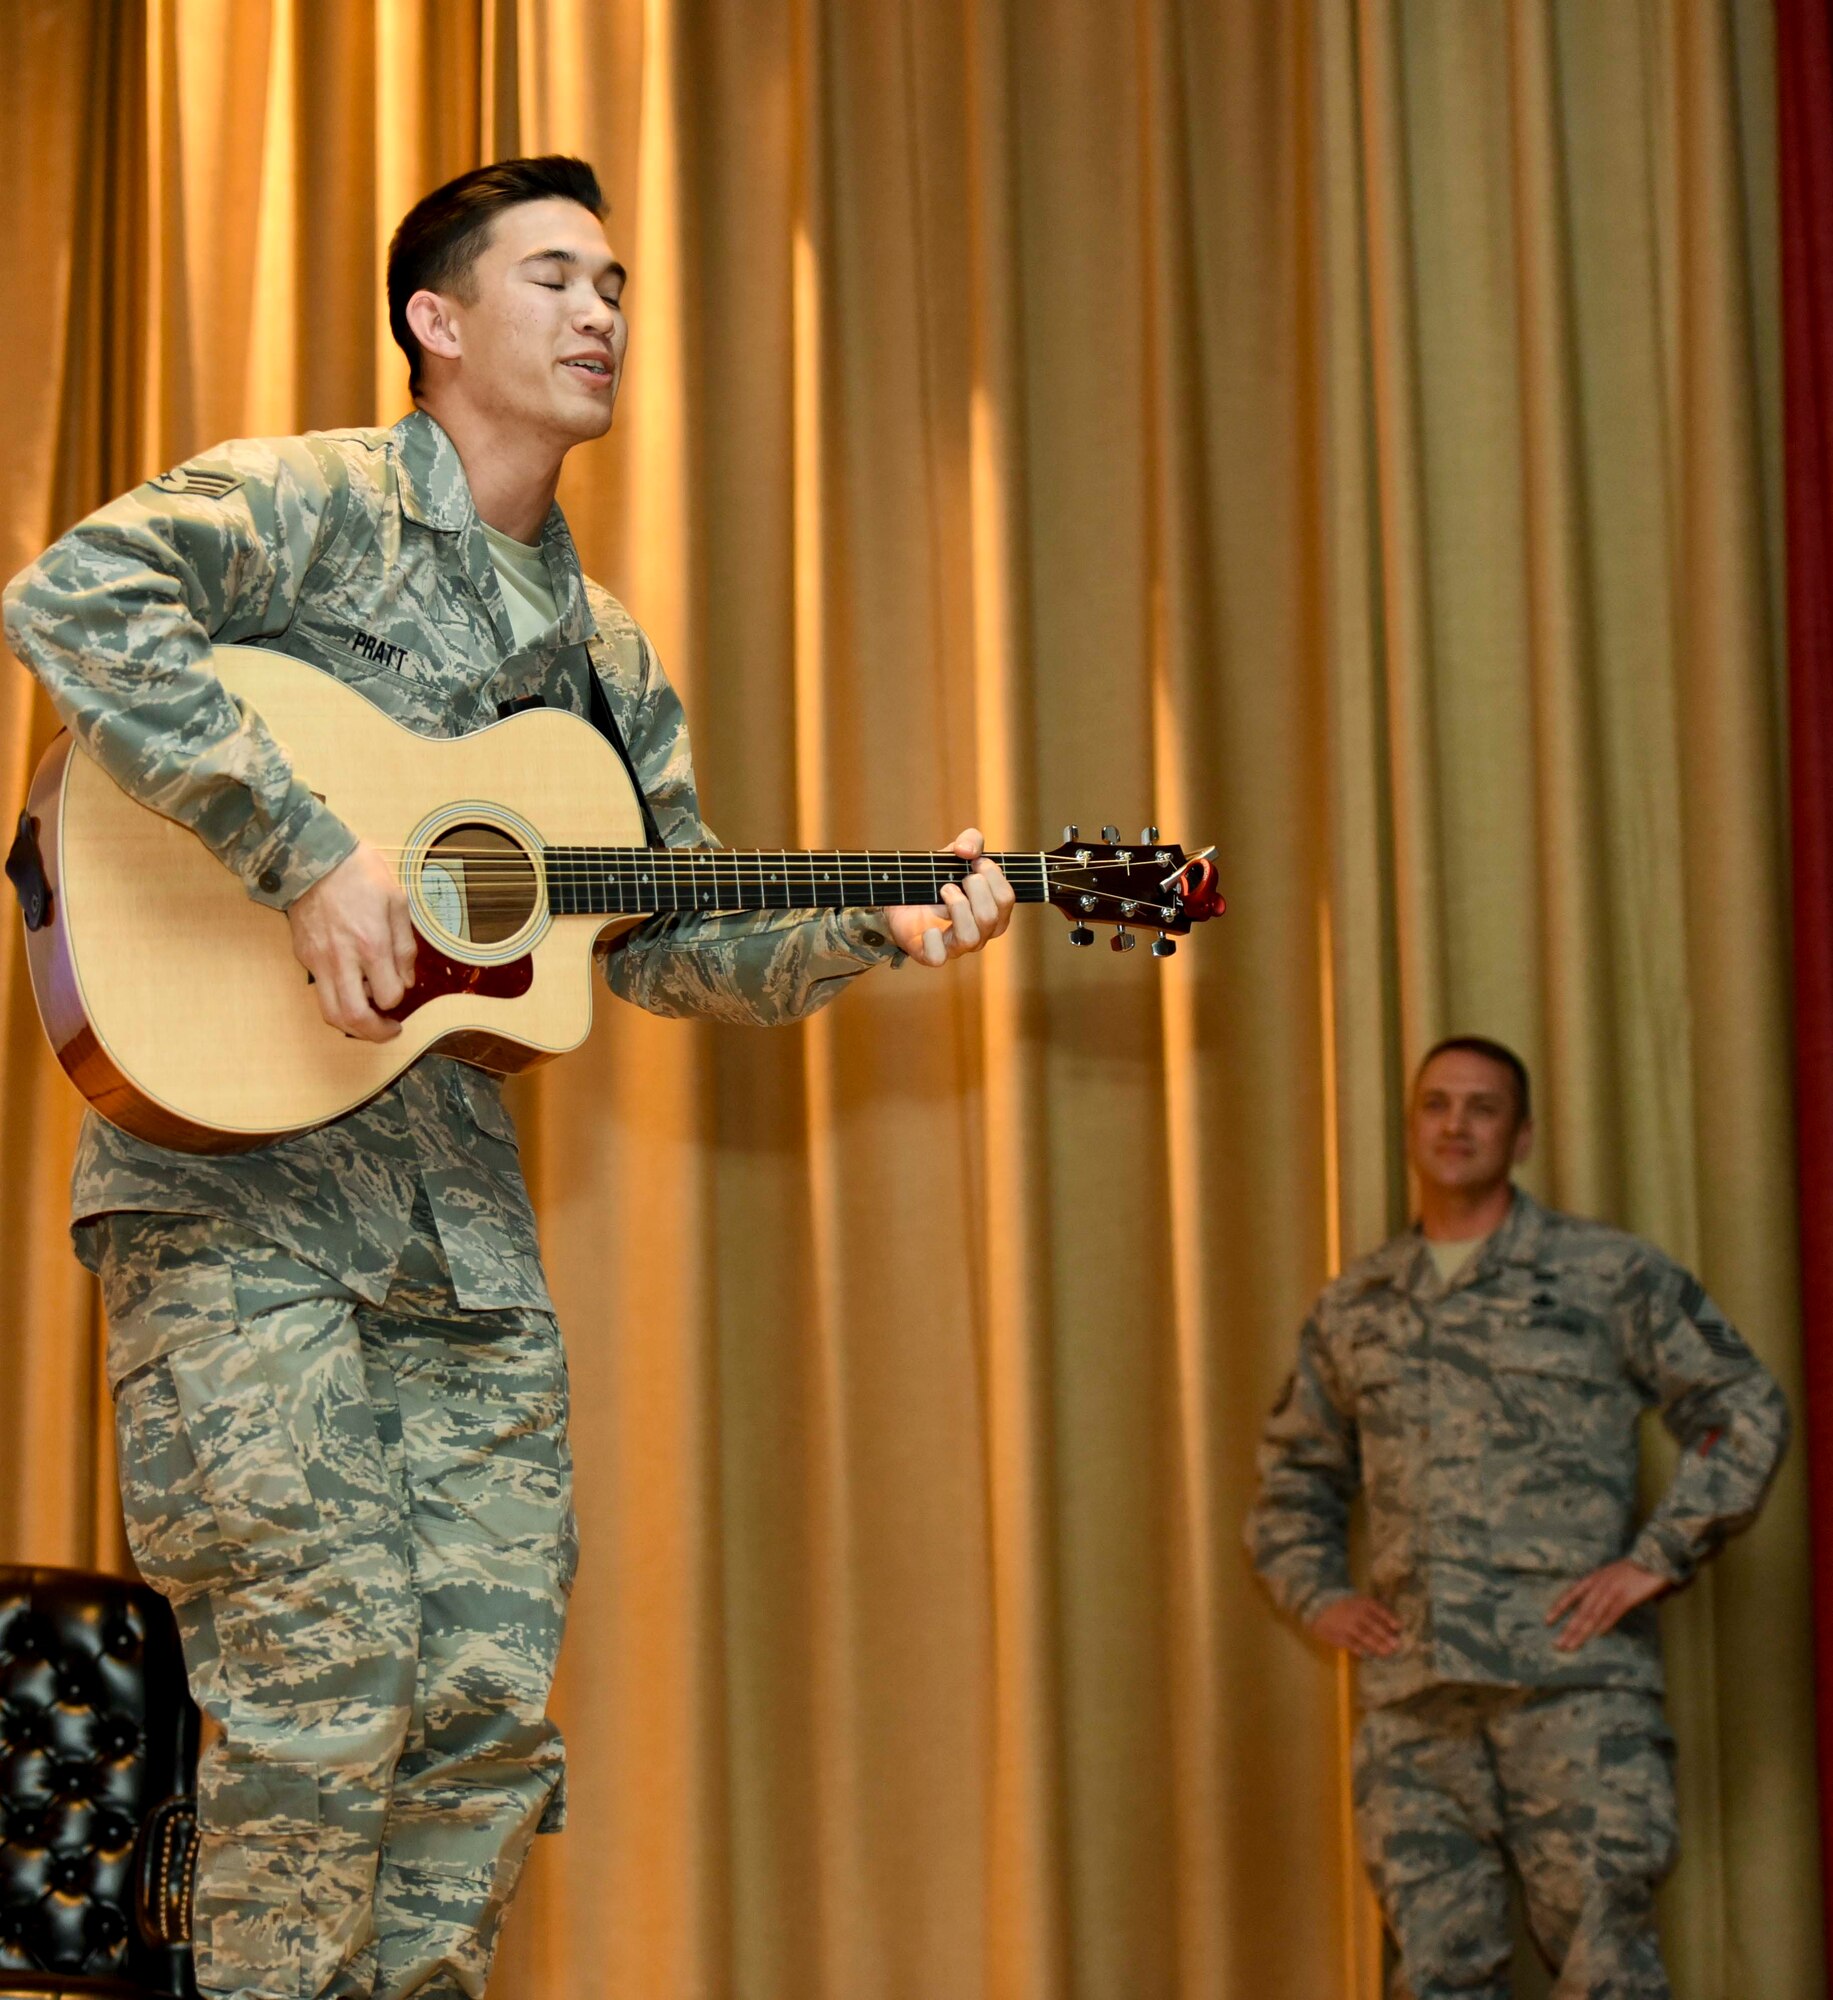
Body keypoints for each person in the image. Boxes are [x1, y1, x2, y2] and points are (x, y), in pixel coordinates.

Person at [2, 155, 1014, 2000]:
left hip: (459, 1246)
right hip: (232, 1207)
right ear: (437, 321)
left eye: (618, 283)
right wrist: (306, 850)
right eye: (557, 276)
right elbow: (74, 598)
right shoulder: (308, 506)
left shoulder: (602, 655)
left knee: (474, 1720)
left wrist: (881, 922)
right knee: (323, 1684)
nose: (605, 310)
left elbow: (667, 934)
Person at [1244, 1036, 1788, 2000]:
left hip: (1573, 1690)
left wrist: (1656, 1557)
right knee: (1438, 1975)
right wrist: (1317, 1593)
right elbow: (1294, 1474)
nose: (1456, 1125)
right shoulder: (1354, 1305)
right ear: (1412, 1128)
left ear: (1522, 1133)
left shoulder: (1608, 1274)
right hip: (1414, 1706)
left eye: (1482, 1107)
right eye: (1436, 1105)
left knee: (1605, 1972)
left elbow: (1744, 1407)